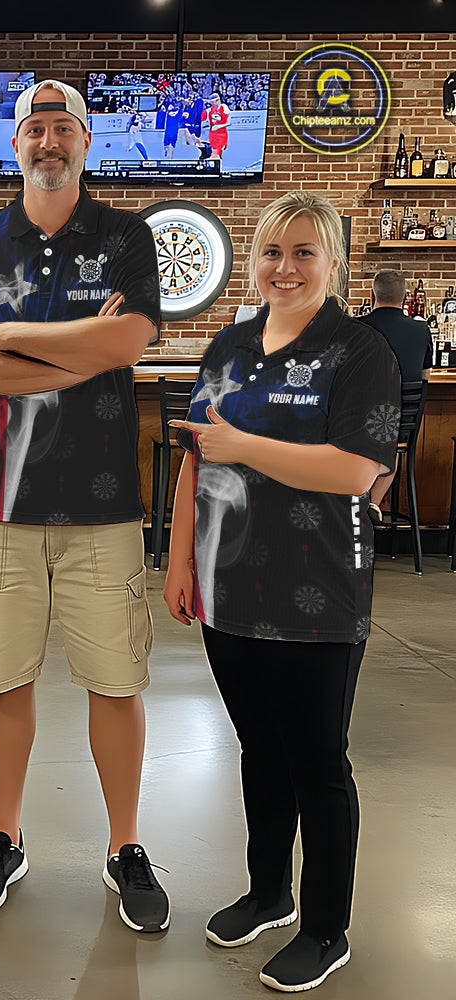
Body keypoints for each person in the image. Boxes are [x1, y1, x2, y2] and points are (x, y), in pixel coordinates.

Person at [0, 80, 169, 930]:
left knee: (116, 680)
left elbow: (129, 339)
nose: (49, 140)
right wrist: (78, 355)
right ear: (16, 144)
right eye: (35, 127)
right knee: (4, 679)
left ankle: (125, 846)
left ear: (86, 143)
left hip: (104, 506)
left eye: (64, 126)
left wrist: (10, 336)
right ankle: (6, 835)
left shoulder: (126, 235)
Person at [164, 192, 401, 993]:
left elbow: (355, 470)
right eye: (272, 251)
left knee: (317, 763)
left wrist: (244, 446)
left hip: (318, 594)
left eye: (304, 252)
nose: (286, 268)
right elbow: (196, 458)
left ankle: (325, 928)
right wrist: (179, 561)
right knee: (259, 751)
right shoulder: (228, 347)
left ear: (335, 263)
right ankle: (268, 892)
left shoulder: (359, 352)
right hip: (230, 586)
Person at [359, 269, 433, 518]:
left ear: (372, 296)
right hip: (401, 427)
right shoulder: (421, 330)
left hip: (358, 427)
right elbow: (425, 377)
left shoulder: (356, 328)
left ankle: (353, 505)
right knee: (391, 438)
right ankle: (372, 503)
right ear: (405, 298)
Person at [201, 92, 230, 164]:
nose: (212, 104)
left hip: (221, 132)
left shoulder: (224, 107)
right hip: (212, 133)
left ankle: (218, 165)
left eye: (213, 102)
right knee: (213, 151)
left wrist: (218, 126)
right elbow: (205, 119)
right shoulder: (210, 110)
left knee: (219, 151)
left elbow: (228, 121)